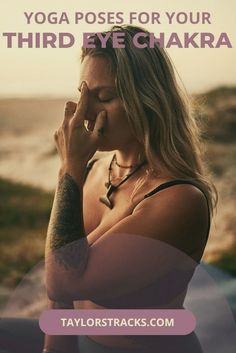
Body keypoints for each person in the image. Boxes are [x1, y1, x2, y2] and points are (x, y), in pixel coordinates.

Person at [0, 25, 216, 353]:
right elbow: (61, 299)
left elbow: (63, 279)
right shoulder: (98, 171)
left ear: (147, 100)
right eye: (83, 95)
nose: (85, 112)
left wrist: (68, 169)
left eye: (103, 97)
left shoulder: (178, 199)